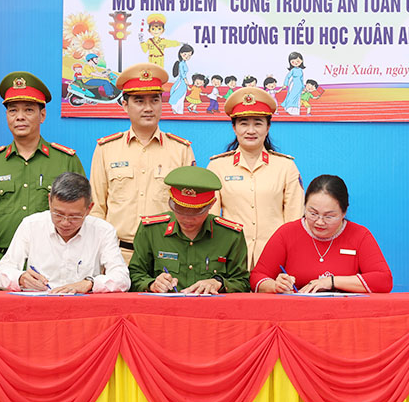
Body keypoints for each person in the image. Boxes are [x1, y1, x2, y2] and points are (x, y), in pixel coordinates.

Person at [0, 71, 85, 264]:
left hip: (53, 263)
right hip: (3, 261)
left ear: (42, 115)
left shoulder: (66, 161)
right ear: (6, 115)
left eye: (28, 110)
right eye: (13, 110)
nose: (19, 117)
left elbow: (81, 215)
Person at [90, 63, 195, 260]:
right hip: (117, 255)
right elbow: (97, 208)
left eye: (154, 100)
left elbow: (189, 210)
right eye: (139, 101)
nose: (148, 108)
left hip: (166, 255)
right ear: (125, 105)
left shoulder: (181, 150)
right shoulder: (106, 149)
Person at [208, 87, 304, 269]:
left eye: (258, 123)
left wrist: (289, 257)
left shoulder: (286, 167)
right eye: (244, 123)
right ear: (234, 127)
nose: (251, 130)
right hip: (230, 258)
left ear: (268, 127)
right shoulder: (217, 167)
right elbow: (210, 220)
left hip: (275, 259)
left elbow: (295, 219)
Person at [251, 175, 392, 294]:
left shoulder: (359, 235)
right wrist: (275, 286)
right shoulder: (287, 233)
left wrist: (331, 282)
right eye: (313, 213)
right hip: (297, 312)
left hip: (346, 312)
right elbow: (257, 277)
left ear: (344, 212)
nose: (319, 222)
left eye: (329, 216)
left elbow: (383, 280)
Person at [0, 172, 129, 293]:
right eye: (58, 214)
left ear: (89, 208)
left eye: (74, 217)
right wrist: (20, 278)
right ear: (49, 201)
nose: (65, 222)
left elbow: (122, 278)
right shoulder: (31, 225)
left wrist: (90, 283)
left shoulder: (102, 231)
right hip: (39, 305)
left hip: (83, 307)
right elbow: (1, 272)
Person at [129, 166, 249, 294]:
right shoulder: (151, 230)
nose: (187, 218)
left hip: (212, 306)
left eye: (196, 211)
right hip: (163, 306)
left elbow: (243, 282)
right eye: (180, 209)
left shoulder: (230, 235)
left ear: (212, 204)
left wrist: (219, 282)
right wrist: (152, 284)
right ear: (171, 201)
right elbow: (134, 275)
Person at [168, 44, 193, 114]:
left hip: (183, 81)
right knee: (179, 95)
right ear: (181, 53)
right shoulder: (181, 63)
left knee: (182, 95)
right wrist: (185, 80)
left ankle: (178, 110)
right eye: (185, 54)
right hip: (181, 81)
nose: (187, 57)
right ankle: (176, 108)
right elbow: (182, 73)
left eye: (189, 55)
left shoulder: (184, 63)